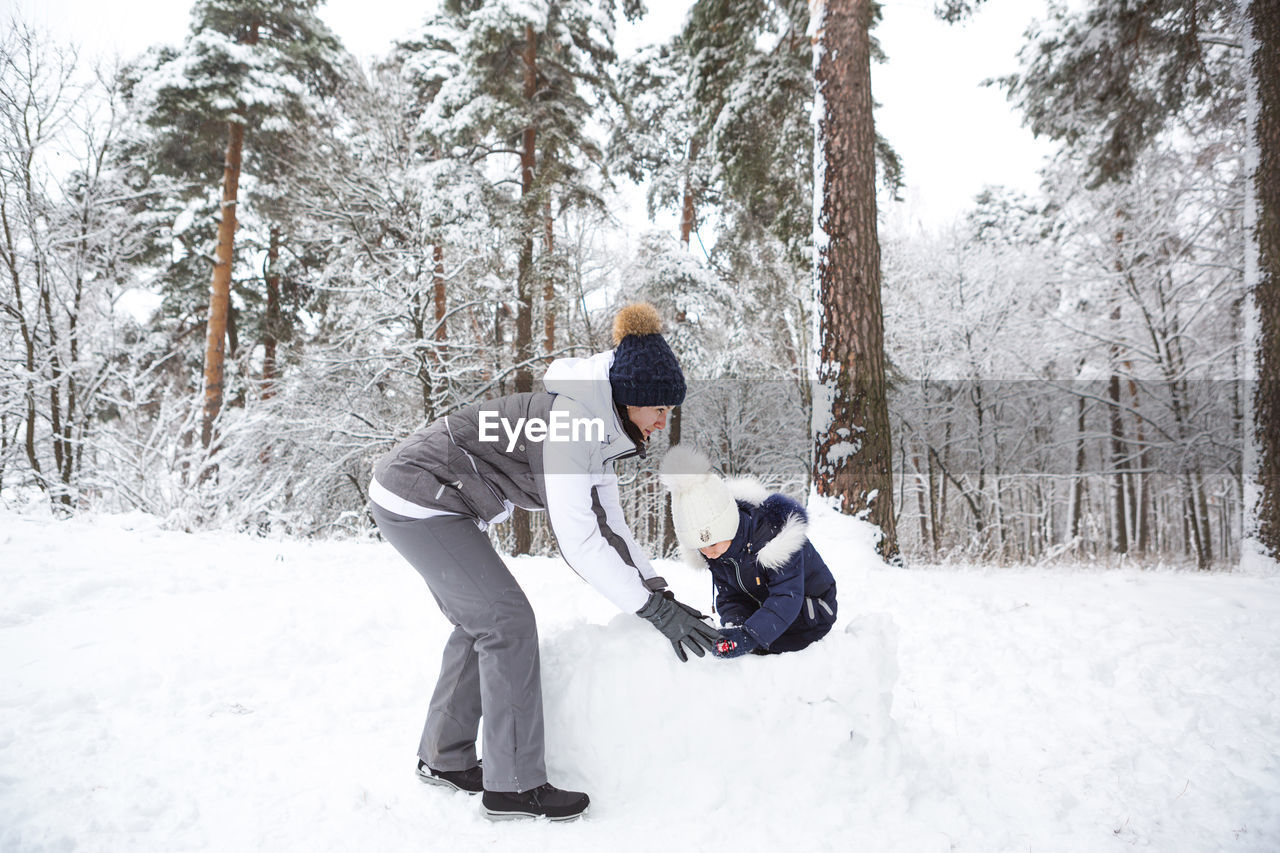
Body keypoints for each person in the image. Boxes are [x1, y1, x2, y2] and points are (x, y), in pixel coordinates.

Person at [368, 303, 720, 822]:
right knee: (505, 621)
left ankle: (444, 758)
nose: (664, 421)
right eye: (660, 410)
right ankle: (513, 787)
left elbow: (609, 524)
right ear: (632, 399)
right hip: (419, 497)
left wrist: (655, 590)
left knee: (484, 619)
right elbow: (579, 541)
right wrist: (649, 610)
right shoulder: (574, 427)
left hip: (436, 498)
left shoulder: (599, 429)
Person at [660, 445, 837, 658]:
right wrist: (736, 625)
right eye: (701, 548)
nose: (709, 553)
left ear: (729, 526)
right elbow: (730, 596)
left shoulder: (774, 539)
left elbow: (787, 597)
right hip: (767, 605)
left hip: (811, 611)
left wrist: (750, 635)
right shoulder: (719, 553)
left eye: (713, 544)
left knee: (762, 646)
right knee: (745, 642)